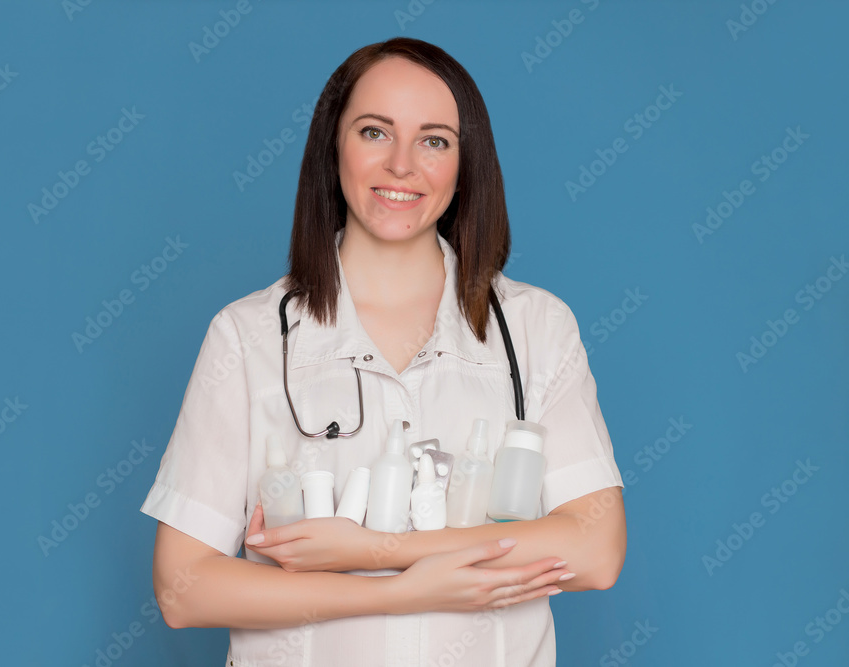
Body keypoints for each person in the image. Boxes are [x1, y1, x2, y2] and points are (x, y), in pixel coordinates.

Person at [140, 36, 626, 666]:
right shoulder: (249, 336)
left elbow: (595, 551)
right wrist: (404, 592)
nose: (402, 165)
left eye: (434, 140)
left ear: (465, 162)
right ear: (332, 147)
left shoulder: (536, 327)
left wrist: (372, 552)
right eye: (374, 132)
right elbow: (185, 590)